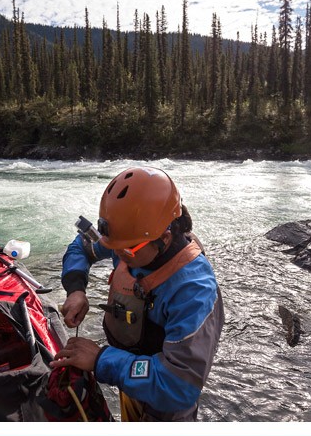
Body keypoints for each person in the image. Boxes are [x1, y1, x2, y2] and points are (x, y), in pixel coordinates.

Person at [50, 166, 224, 421]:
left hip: (166, 408)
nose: (117, 255)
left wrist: (100, 360)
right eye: (113, 247)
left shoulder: (194, 290)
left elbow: (178, 386)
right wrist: (76, 290)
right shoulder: (130, 239)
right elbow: (81, 248)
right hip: (129, 376)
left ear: (164, 238)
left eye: (127, 251)